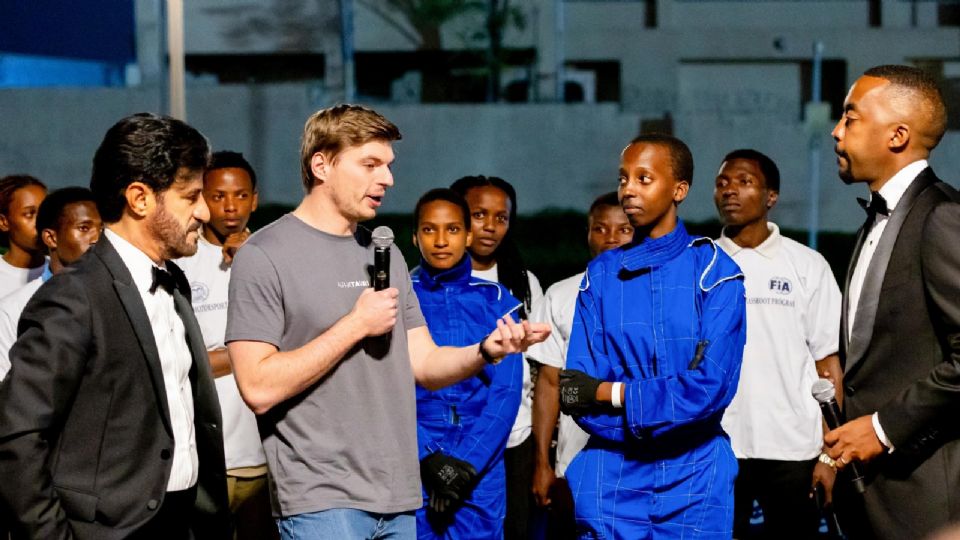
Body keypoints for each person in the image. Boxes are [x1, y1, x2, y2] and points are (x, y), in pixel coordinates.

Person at [225, 104, 549, 540]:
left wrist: (484, 352)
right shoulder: (265, 254)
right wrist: (355, 325)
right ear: (321, 164)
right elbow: (259, 388)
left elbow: (426, 364)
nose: (387, 179)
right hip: (322, 499)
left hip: (398, 498)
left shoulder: (385, 253)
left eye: (389, 166)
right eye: (371, 165)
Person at [0, 113, 230, 539]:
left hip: (186, 523)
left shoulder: (173, 280)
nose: (205, 211)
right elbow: (16, 436)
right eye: (191, 196)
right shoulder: (74, 296)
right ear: (140, 198)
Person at [558, 134, 746, 539]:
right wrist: (651, 422)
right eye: (624, 178)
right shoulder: (602, 274)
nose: (628, 189)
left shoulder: (716, 272)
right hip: (610, 475)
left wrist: (614, 394)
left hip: (696, 476)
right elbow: (577, 391)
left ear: (679, 190)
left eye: (644, 179)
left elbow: (709, 389)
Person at [823, 65, 960, 540]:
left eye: (850, 117)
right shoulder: (874, 222)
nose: (836, 131)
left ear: (897, 135)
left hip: (925, 500)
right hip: (865, 498)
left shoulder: (943, 216)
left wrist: (882, 429)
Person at [713, 149, 843, 539]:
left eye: (744, 182)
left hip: (793, 451)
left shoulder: (807, 265)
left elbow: (828, 366)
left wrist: (828, 454)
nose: (729, 192)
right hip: (716, 447)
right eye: (722, 183)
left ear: (772, 196)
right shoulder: (702, 262)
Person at [410, 188, 524, 539]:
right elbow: (383, 389)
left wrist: (466, 467)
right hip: (413, 462)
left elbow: (506, 393)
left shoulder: (499, 301)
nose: (441, 241)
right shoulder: (396, 299)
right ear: (414, 238)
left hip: (481, 467)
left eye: (453, 229)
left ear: (469, 235)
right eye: (429, 230)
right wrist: (428, 458)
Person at [175, 151, 277, 540]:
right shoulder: (181, 260)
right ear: (201, 198)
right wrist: (249, 354)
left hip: (263, 454)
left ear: (254, 199)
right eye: (218, 196)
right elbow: (181, 358)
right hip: (205, 456)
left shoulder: (270, 254)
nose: (230, 206)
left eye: (239, 196)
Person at [527, 191, 634, 536]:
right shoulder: (561, 295)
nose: (611, 239)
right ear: (588, 233)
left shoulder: (660, 297)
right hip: (574, 463)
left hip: (640, 464)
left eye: (624, 229)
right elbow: (548, 382)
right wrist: (542, 463)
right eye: (600, 229)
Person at [450, 175, 544, 540]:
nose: (490, 226)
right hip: (454, 440)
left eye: (501, 217)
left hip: (512, 441)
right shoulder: (426, 282)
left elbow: (535, 372)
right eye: (478, 214)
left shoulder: (523, 284)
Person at [0, 187, 102, 380]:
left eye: (102, 230)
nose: (97, 239)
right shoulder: (12, 311)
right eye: (84, 228)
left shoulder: (119, 296)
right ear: (51, 237)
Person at [0, 175, 48, 298]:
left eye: (45, 212)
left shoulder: (65, 271)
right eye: (29, 214)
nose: (41, 221)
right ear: (3, 222)